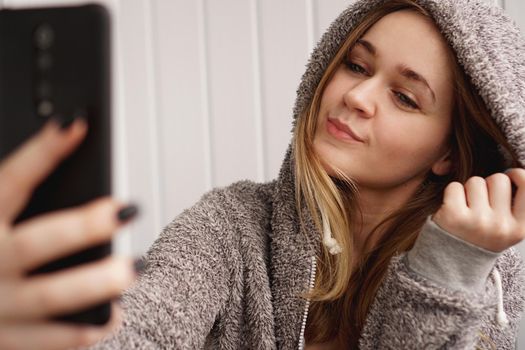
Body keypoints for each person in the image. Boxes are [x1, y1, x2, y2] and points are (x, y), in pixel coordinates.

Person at [1, 0, 524, 348]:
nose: (356, 97)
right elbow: (141, 330)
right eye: (357, 66)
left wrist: (449, 269)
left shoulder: (498, 281)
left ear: (449, 156)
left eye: (405, 97)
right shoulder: (232, 226)